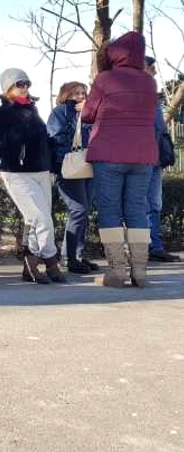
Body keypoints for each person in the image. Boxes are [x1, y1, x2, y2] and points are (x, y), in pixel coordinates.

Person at [81, 32, 158, 287]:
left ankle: (116, 271)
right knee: (137, 209)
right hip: (143, 155)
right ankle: (140, 272)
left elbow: (88, 114)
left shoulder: (105, 79)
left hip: (109, 153)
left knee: (110, 209)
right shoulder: (149, 82)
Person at [0, 69, 64, 284]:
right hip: (16, 172)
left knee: (33, 220)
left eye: (27, 83)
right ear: (8, 88)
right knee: (42, 218)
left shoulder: (34, 110)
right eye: (19, 84)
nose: (25, 87)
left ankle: (29, 266)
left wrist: (52, 158)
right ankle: (50, 261)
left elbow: (43, 140)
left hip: (40, 170)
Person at [47, 82, 99, 274]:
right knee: (78, 209)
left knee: (84, 212)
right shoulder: (60, 112)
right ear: (66, 95)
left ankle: (77, 255)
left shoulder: (90, 113)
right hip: (68, 167)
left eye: (84, 92)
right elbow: (56, 136)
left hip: (89, 165)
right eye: (76, 93)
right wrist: (75, 116)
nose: (81, 96)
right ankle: (69, 257)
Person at [144, 56, 180, 263]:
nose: (154, 72)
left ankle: (153, 246)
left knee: (153, 203)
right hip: (144, 157)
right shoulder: (142, 95)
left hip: (153, 158)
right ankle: (149, 246)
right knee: (145, 204)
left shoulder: (151, 95)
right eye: (151, 68)